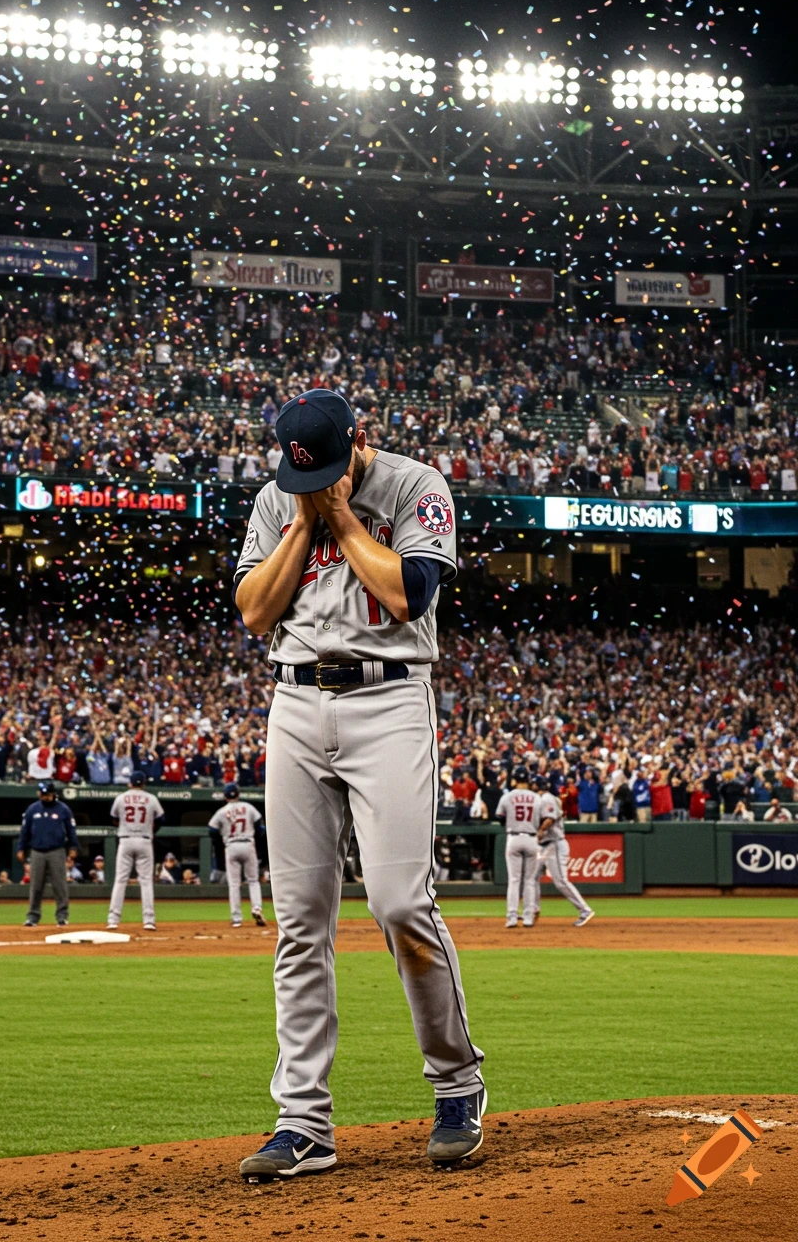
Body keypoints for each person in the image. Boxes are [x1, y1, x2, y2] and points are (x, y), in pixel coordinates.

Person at [234, 388, 485, 1181]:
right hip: (295, 702)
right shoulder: (280, 499)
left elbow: (410, 594)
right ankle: (303, 1121)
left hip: (390, 698)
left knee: (401, 903)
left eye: (328, 474)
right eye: (303, 479)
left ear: (359, 442)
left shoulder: (416, 486)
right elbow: (252, 611)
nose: (313, 487)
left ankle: (457, 1087)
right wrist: (304, 524)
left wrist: (340, 519)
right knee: (300, 920)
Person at [16, 780, 80, 927]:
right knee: (36, 887)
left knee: (60, 886)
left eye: (47, 794)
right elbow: (24, 832)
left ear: (53, 794)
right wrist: (20, 848)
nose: (44, 796)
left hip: (56, 851)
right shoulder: (32, 809)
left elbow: (71, 830)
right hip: (37, 851)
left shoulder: (63, 809)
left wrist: (73, 847)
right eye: (42, 794)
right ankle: (32, 917)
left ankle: (62, 917)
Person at [107, 770, 165, 932]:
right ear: (144, 783)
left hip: (125, 839)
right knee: (146, 881)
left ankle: (113, 920)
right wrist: (150, 828)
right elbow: (161, 819)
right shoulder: (151, 799)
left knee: (120, 880)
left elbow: (113, 819)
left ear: (130, 783)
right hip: (145, 840)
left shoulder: (121, 798)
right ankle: (149, 920)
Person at [534, 776, 595, 927]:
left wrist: (540, 831)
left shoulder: (547, 798)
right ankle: (532, 910)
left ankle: (585, 910)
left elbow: (549, 819)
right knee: (531, 876)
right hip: (544, 846)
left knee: (560, 881)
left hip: (554, 844)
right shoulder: (543, 799)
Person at [208, 782, 266, 928]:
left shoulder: (222, 811)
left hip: (232, 846)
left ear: (225, 796)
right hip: (247, 844)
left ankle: (236, 918)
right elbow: (260, 827)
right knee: (253, 880)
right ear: (238, 794)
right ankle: (257, 908)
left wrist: (223, 837)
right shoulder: (248, 807)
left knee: (234, 884)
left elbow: (212, 830)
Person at [498, 767, 542, 929]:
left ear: (514, 780)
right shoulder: (537, 798)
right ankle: (528, 917)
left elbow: (500, 818)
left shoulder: (507, 797)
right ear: (528, 780)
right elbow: (544, 819)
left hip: (514, 838)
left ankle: (511, 918)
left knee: (514, 880)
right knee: (529, 880)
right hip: (532, 838)